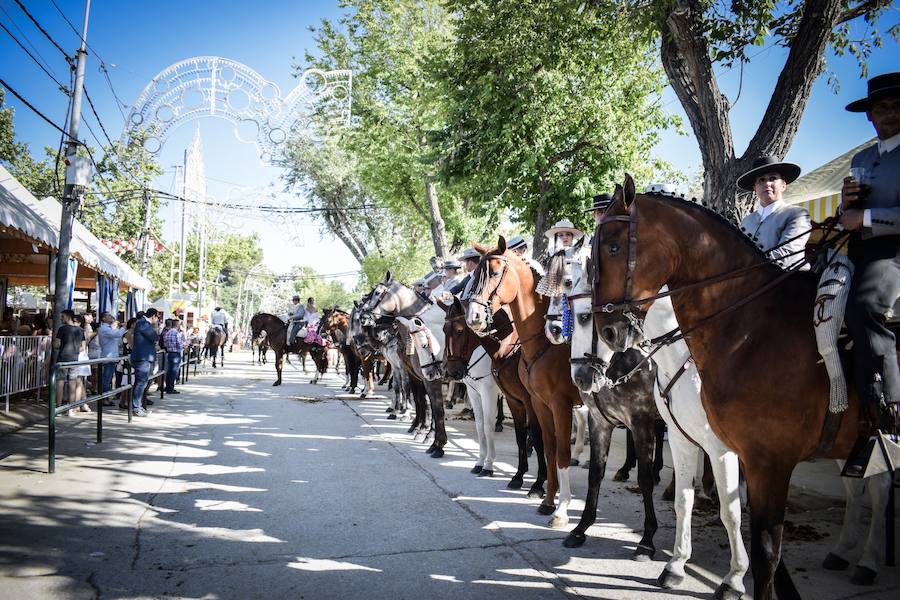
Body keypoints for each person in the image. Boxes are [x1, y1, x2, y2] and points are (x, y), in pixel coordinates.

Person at [838, 72, 900, 461]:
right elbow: (849, 215)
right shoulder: (861, 158)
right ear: (870, 116)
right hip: (858, 248)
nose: (889, 113)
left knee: (863, 308)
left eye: (896, 107)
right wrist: (846, 205)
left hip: (894, 251)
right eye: (881, 108)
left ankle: (887, 409)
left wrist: (862, 218)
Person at [736, 156, 811, 269]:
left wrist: (744, 264)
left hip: (789, 281)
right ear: (755, 188)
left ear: (783, 185)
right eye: (761, 180)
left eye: (772, 178)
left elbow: (787, 254)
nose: (767, 184)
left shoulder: (797, 214)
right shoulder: (746, 221)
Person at [53, 309, 86, 417]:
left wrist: (62, 346)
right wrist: (75, 350)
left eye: (62, 316)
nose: (61, 318)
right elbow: (83, 347)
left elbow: (56, 344)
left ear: (67, 317)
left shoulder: (62, 329)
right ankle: (70, 409)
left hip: (62, 358)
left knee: (60, 382)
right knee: (72, 383)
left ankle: (58, 407)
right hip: (74, 359)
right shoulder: (80, 330)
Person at [130, 308, 159, 417]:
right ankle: (136, 407)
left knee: (143, 382)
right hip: (142, 358)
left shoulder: (143, 323)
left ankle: (138, 406)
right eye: (157, 318)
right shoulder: (143, 323)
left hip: (145, 357)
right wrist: (155, 326)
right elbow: (154, 337)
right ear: (153, 316)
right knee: (141, 382)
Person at [97, 312, 126, 402]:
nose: (111, 317)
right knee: (106, 378)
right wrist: (123, 327)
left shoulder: (109, 328)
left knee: (108, 378)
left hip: (111, 356)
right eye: (108, 316)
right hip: (108, 357)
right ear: (103, 319)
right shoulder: (104, 329)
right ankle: (104, 399)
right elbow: (117, 334)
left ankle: (105, 398)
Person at [163, 318, 186, 394]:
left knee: (169, 371)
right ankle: (171, 388)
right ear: (177, 325)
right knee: (174, 372)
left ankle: (167, 387)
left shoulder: (168, 332)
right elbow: (179, 344)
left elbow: (165, 344)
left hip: (169, 353)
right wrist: (184, 345)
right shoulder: (177, 333)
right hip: (176, 353)